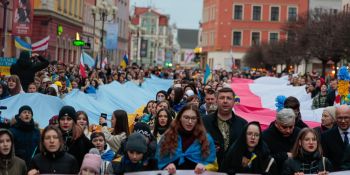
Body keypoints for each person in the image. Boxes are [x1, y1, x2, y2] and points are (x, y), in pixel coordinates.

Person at [156, 104, 217, 174]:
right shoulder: (168, 136)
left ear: (197, 120)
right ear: (180, 118)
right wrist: (166, 166)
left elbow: (213, 163)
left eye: (193, 118)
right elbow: (159, 159)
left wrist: (205, 167)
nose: (190, 122)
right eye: (186, 117)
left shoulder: (206, 138)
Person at [203, 87, 247, 167]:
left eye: (229, 98)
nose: (225, 101)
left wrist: (247, 156)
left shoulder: (243, 124)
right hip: (208, 169)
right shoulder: (204, 121)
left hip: (234, 170)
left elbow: (249, 147)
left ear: (234, 102)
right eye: (222, 98)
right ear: (216, 101)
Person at [262, 108, 301, 173]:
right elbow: (263, 159)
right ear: (276, 123)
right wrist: (284, 155)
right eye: (284, 127)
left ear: (294, 123)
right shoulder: (266, 136)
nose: (288, 131)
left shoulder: (299, 133)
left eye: (291, 127)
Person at [321, 104, 350, 171]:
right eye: (340, 118)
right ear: (335, 118)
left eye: (346, 117)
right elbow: (325, 161)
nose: (343, 121)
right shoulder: (326, 136)